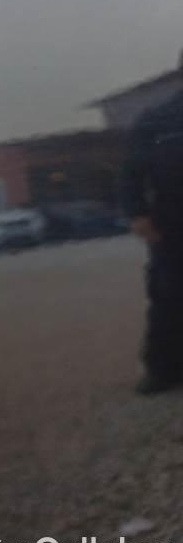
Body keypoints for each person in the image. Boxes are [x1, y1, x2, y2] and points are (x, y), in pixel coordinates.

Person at [122, 90, 183, 394]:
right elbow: (131, 172)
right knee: (169, 295)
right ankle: (164, 369)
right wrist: (137, 213)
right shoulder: (157, 119)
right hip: (172, 222)